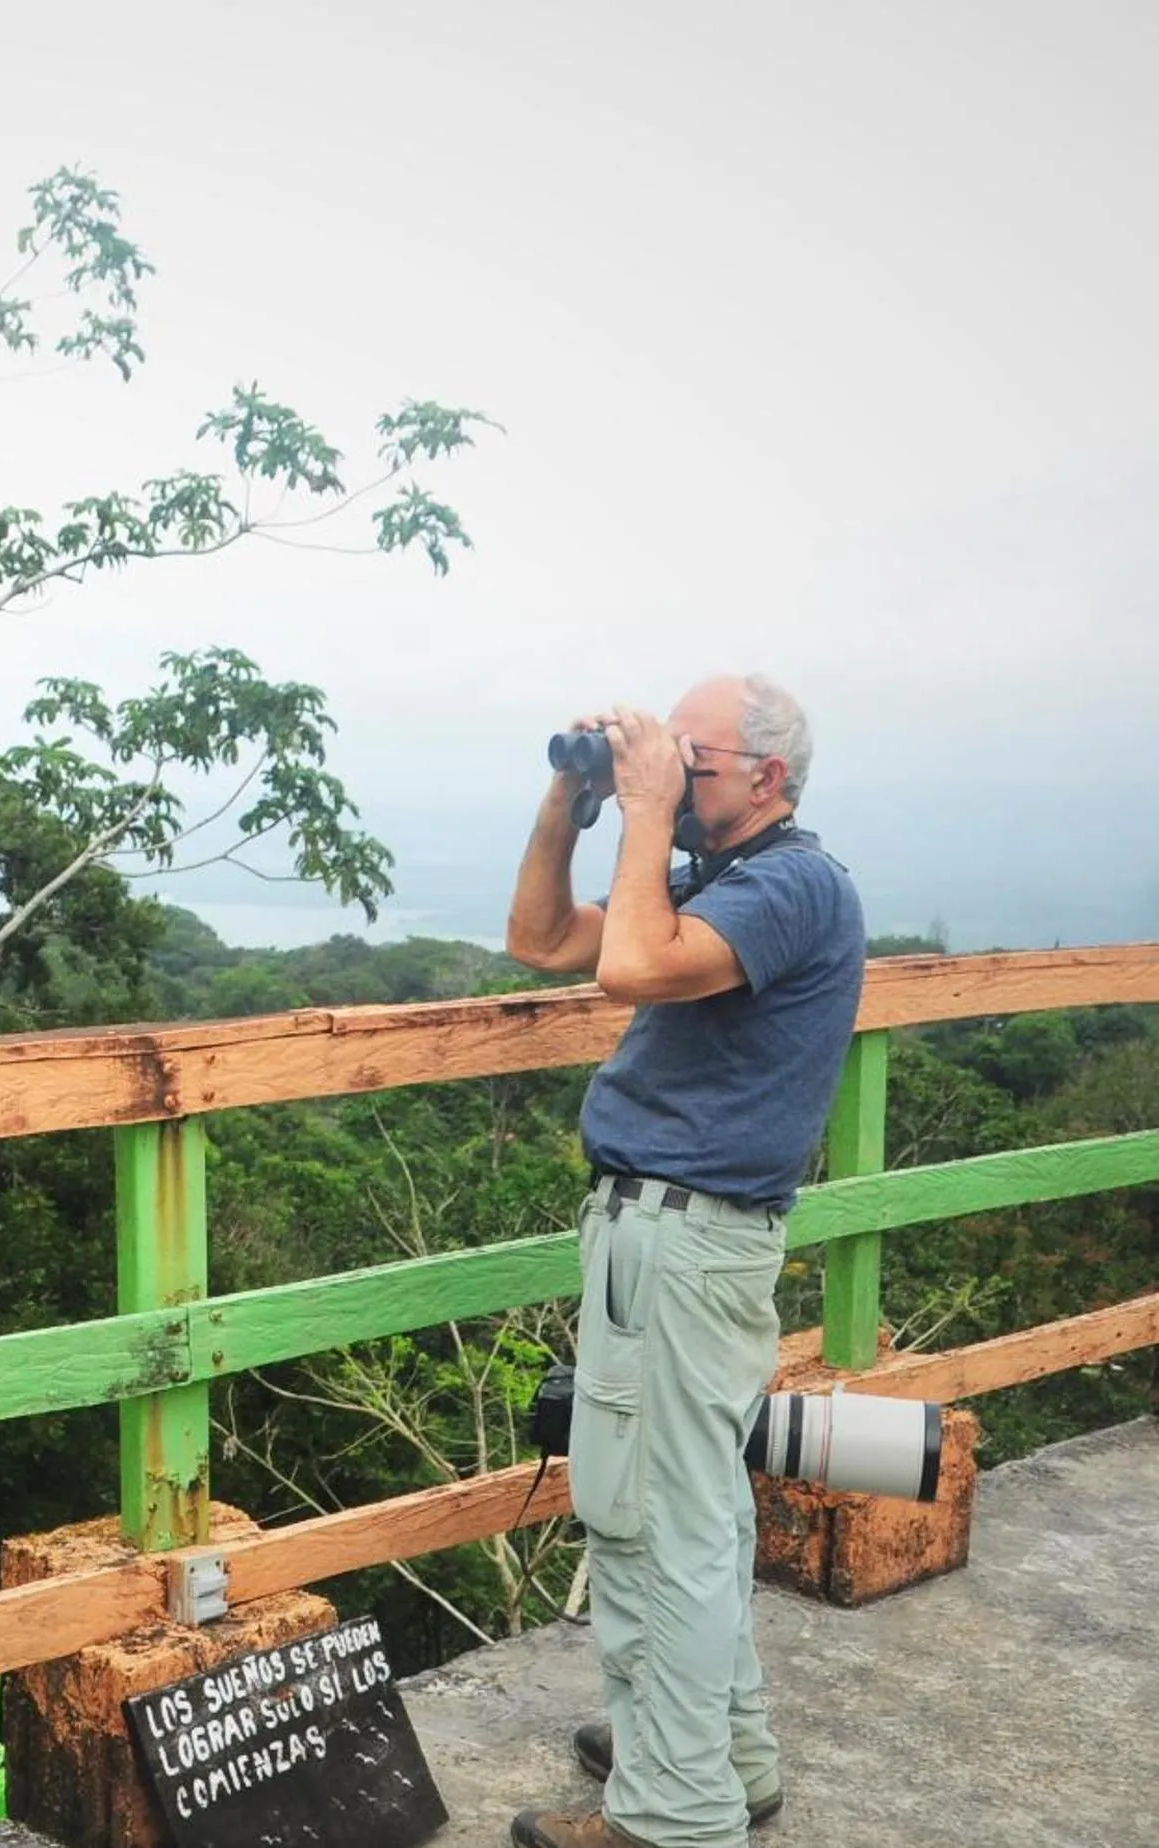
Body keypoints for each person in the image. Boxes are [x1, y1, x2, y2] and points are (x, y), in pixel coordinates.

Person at [500, 676, 865, 1848]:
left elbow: (629, 971)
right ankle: (712, 1752)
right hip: (670, 1239)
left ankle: (669, 1812)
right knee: (683, 1512)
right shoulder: (721, 885)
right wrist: (573, 797)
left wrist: (645, 804)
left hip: (685, 1236)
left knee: (655, 1522)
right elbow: (542, 939)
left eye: (692, 758)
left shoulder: (791, 884)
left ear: (768, 776)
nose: (670, 770)